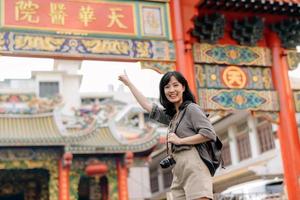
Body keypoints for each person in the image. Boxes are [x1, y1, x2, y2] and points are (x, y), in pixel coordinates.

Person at [118, 70, 216, 200]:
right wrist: (129, 84)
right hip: (178, 169)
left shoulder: (191, 108)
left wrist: (181, 141)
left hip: (193, 165)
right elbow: (147, 105)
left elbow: (209, 133)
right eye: (167, 86)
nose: (171, 90)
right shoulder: (173, 116)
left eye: (175, 85)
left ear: (183, 87)